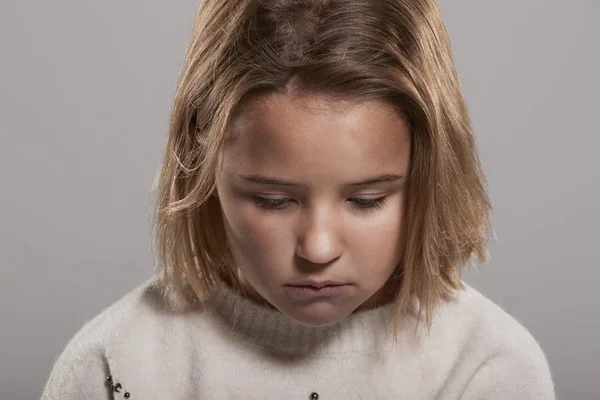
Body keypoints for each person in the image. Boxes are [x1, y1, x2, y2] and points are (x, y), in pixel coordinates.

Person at [41, 0, 555, 398]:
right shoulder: (116, 365)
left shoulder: (488, 367)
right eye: (272, 200)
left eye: (367, 200)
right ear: (201, 165)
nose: (318, 248)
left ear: (429, 174)